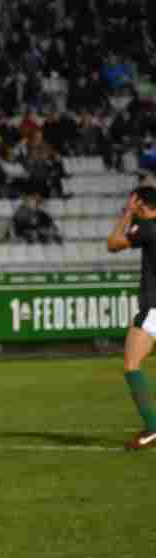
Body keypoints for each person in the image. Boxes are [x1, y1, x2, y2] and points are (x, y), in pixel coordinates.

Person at [107, 187, 156, 450]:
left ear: (140, 203)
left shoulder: (147, 227)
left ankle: (154, 428)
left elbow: (113, 244)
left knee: (131, 364)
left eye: (133, 202)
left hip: (154, 308)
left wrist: (126, 216)